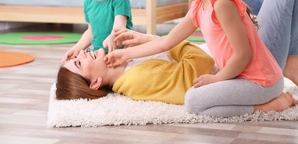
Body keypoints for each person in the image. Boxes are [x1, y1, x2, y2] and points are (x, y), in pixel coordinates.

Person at [104, 0, 298, 118]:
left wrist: (216, 79)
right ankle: (270, 102)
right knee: (194, 99)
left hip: (262, 81)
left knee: (193, 101)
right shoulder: (199, 6)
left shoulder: (222, 4)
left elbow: (244, 55)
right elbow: (166, 42)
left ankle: (272, 105)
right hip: (241, 76)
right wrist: (125, 54)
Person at [56, 34, 215, 105]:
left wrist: (144, 44)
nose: (82, 52)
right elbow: (202, 63)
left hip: (216, 47)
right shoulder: (138, 79)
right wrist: (156, 41)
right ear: (95, 83)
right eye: (79, 63)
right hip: (226, 61)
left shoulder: (126, 59)